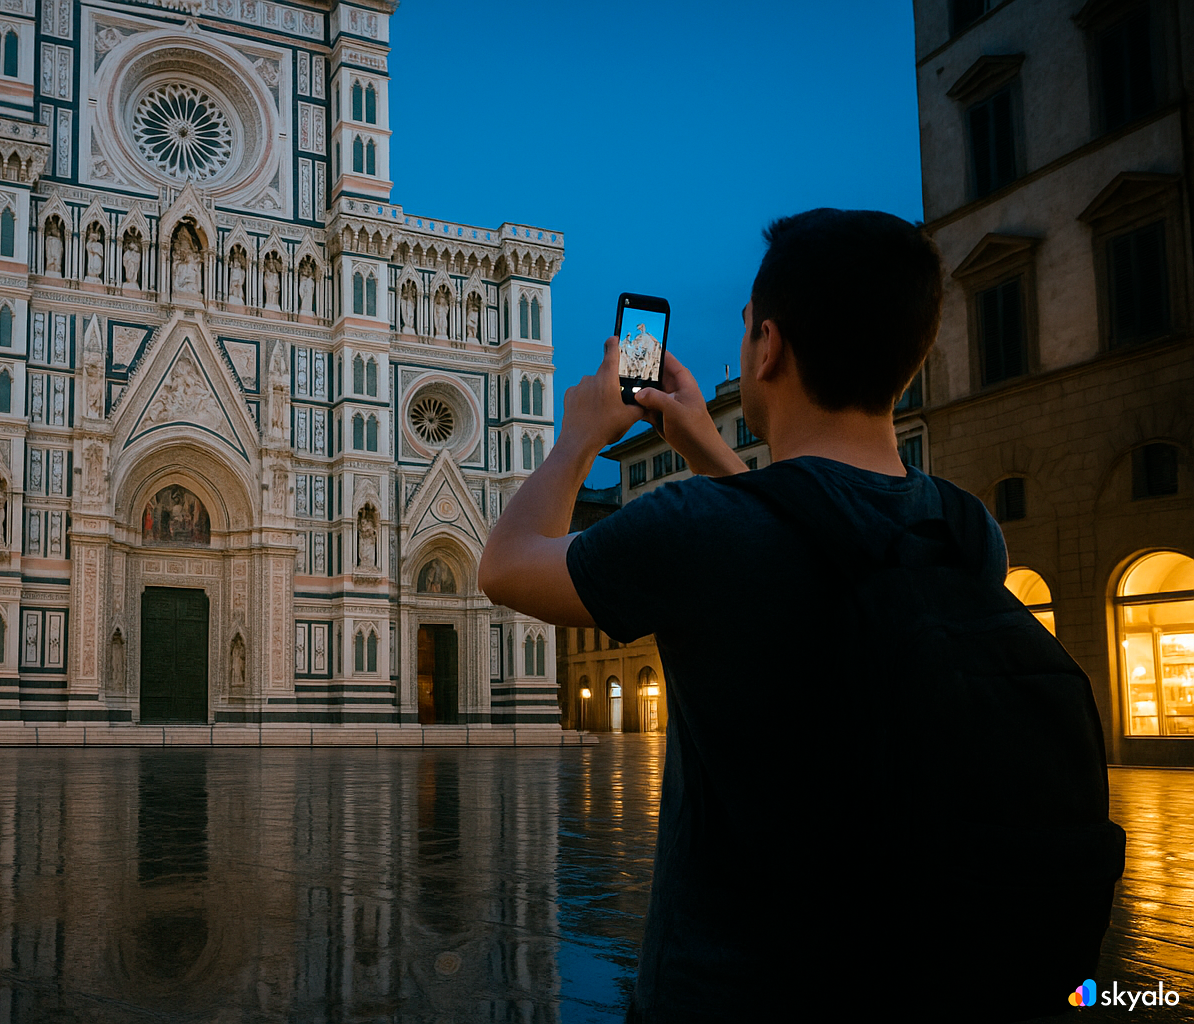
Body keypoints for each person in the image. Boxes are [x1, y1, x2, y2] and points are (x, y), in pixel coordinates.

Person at [479, 208, 1122, 1023]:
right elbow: (809, 529)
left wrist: (578, 436)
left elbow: (505, 565)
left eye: (749, 325)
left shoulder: (693, 531)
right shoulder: (965, 531)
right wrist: (703, 443)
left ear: (769, 348)